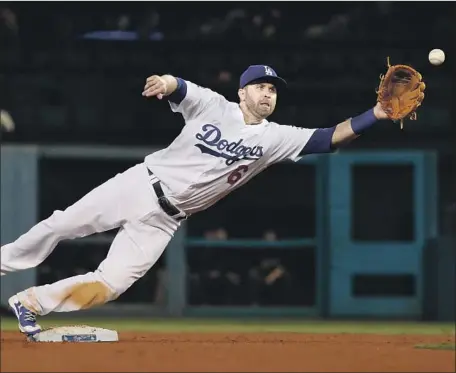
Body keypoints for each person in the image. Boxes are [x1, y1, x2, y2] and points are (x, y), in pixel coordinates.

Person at [1, 64, 389, 335]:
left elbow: (329, 137)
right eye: (260, 86)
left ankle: (31, 303)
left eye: (272, 89)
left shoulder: (276, 137)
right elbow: (180, 86)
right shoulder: (214, 106)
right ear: (242, 92)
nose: (267, 93)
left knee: (110, 285)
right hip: (139, 184)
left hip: (165, 221)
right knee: (61, 224)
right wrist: (163, 82)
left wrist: (375, 113)